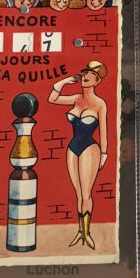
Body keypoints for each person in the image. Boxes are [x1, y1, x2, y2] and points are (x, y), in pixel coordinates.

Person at [48, 59, 109, 249]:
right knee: (77, 193)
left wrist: (104, 154)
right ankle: (80, 231)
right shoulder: (75, 98)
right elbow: (52, 99)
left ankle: (87, 232)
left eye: (91, 74)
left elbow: (104, 131)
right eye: (85, 73)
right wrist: (64, 81)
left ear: (97, 81)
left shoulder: (100, 104)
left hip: (90, 149)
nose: (86, 76)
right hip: (72, 149)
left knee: (86, 193)